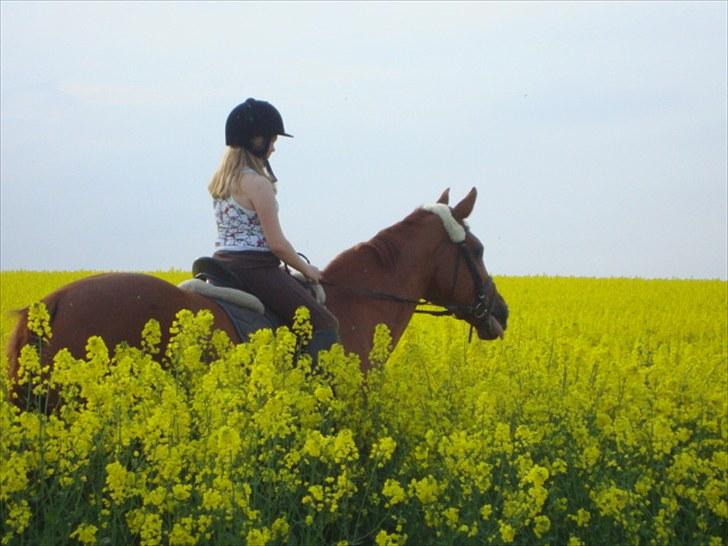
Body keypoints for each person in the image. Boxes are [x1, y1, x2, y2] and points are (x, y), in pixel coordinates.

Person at [207, 98, 339, 356]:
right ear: (257, 141)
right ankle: (324, 391)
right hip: (255, 269)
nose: (273, 149)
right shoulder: (257, 183)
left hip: (222, 263)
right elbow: (277, 244)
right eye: (272, 141)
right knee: (324, 323)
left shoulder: (221, 182)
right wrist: (307, 270)